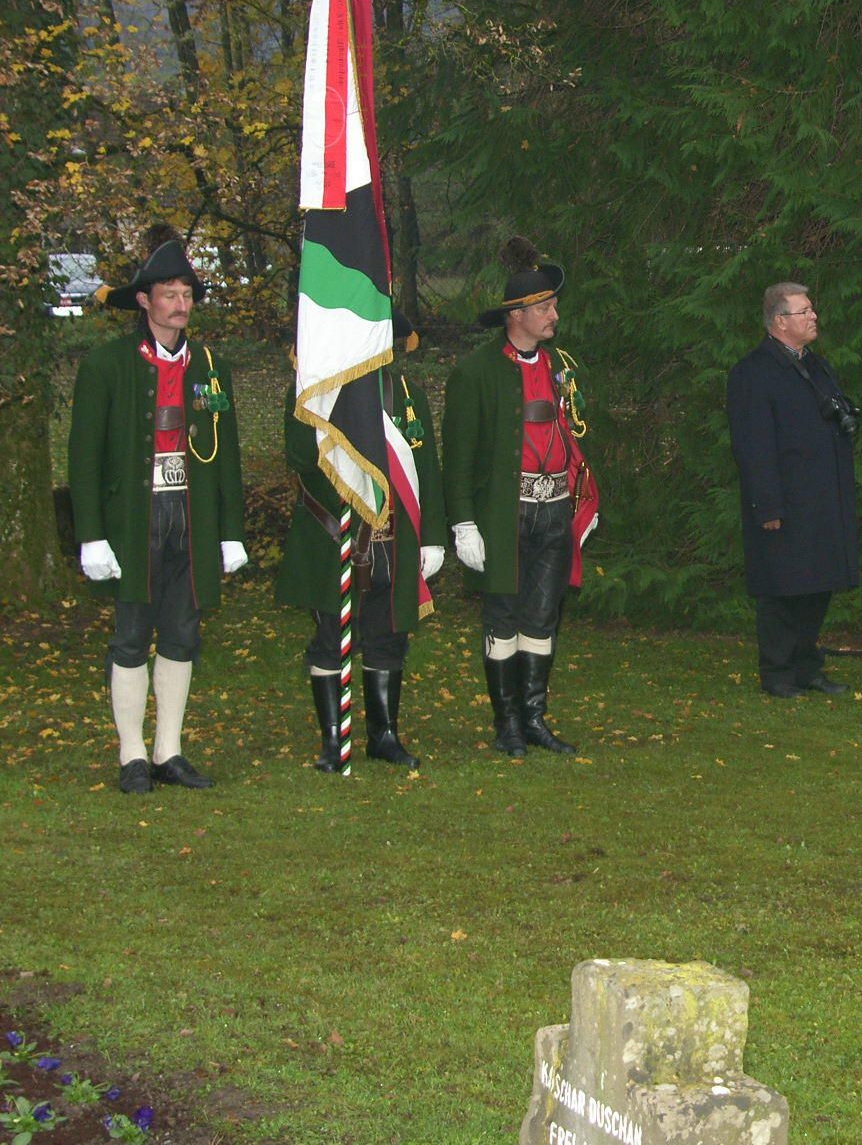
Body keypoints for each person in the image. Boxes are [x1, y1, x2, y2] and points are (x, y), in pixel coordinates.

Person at [69, 225, 247, 795]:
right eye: (170, 294)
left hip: (191, 514)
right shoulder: (105, 366)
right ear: (144, 301)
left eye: (187, 294)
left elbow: (226, 453)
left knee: (182, 632)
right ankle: (132, 755)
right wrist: (91, 534)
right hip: (132, 517)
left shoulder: (210, 367)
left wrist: (230, 530)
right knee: (130, 635)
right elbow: (83, 457)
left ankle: (169, 750)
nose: (181, 304)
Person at [442, 238, 598, 757]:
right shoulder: (475, 373)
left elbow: (573, 436)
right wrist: (463, 523)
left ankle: (534, 718)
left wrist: (583, 499)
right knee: (503, 617)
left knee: (542, 616)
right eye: (545, 307)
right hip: (503, 516)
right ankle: (506, 722)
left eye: (553, 305)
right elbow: (458, 457)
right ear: (517, 315)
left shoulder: (560, 366)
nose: (555, 315)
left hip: (553, 512)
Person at [276, 315, 447, 772]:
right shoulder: (316, 389)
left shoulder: (406, 394)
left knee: (389, 636)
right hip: (332, 534)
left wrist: (432, 537)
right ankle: (333, 740)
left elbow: (426, 468)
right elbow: (300, 457)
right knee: (331, 639)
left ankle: (383, 735)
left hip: (394, 536)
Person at [726, 282, 861, 698]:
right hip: (783, 502)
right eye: (804, 312)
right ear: (780, 321)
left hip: (821, 499)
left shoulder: (816, 367)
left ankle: (807, 667)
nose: (813, 317)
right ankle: (778, 672)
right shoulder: (753, 373)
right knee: (782, 589)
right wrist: (767, 504)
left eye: (811, 309)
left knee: (817, 586)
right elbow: (753, 446)